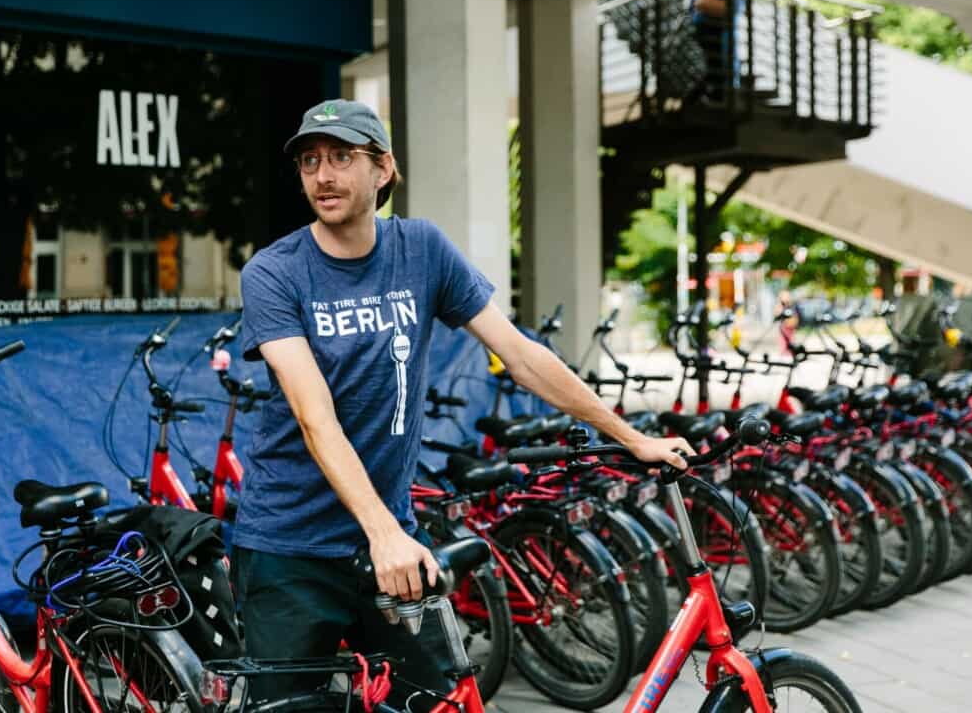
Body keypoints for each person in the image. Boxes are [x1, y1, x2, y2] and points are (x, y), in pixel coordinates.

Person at [234, 98, 695, 705]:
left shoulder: (421, 250)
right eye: (311, 161)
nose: (323, 175)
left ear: (383, 169)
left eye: (342, 157)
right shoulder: (275, 272)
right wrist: (384, 535)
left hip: (390, 538)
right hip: (288, 549)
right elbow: (314, 416)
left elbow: (521, 354)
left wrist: (631, 437)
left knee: (441, 698)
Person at [692, 0, 745, 106]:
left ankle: (713, 97)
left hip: (721, 27)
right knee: (714, 68)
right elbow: (704, 2)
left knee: (719, 68)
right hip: (709, 26)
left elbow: (732, 6)